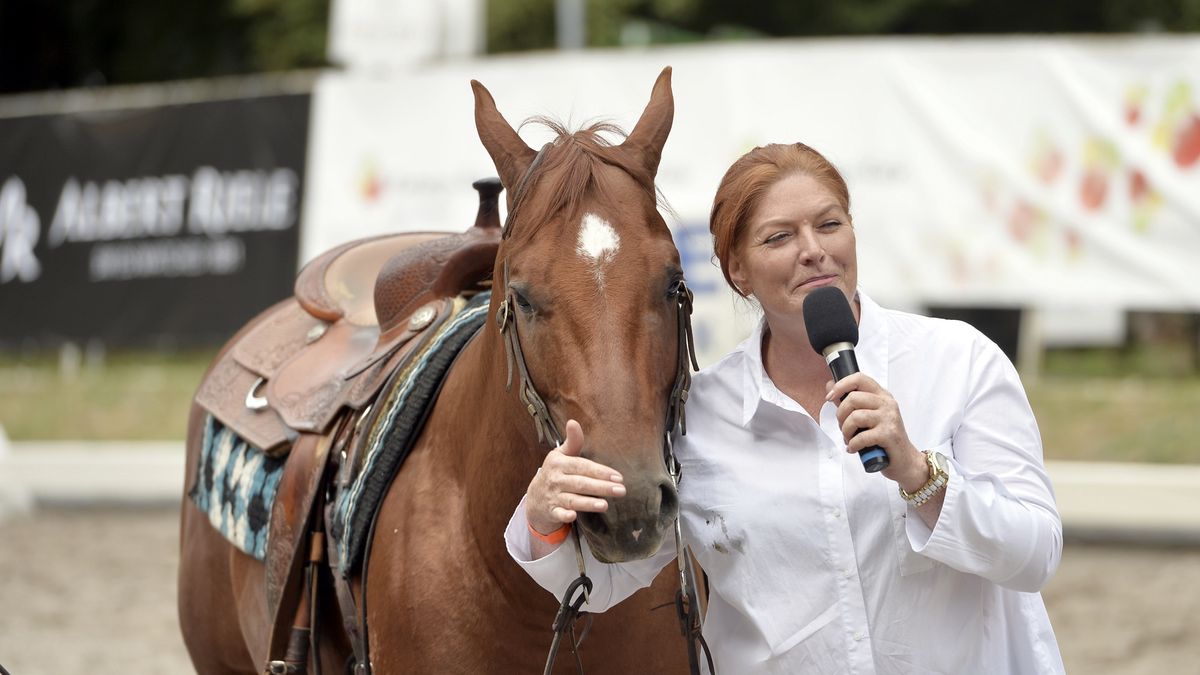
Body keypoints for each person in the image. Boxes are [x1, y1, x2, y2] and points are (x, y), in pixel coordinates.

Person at [505, 142, 1065, 674]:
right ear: (737, 271)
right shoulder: (702, 416)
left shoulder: (960, 361)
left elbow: (1034, 554)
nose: (813, 249)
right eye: (779, 237)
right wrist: (542, 518)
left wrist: (920, 475)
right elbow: (606, 583)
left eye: (830, 224)